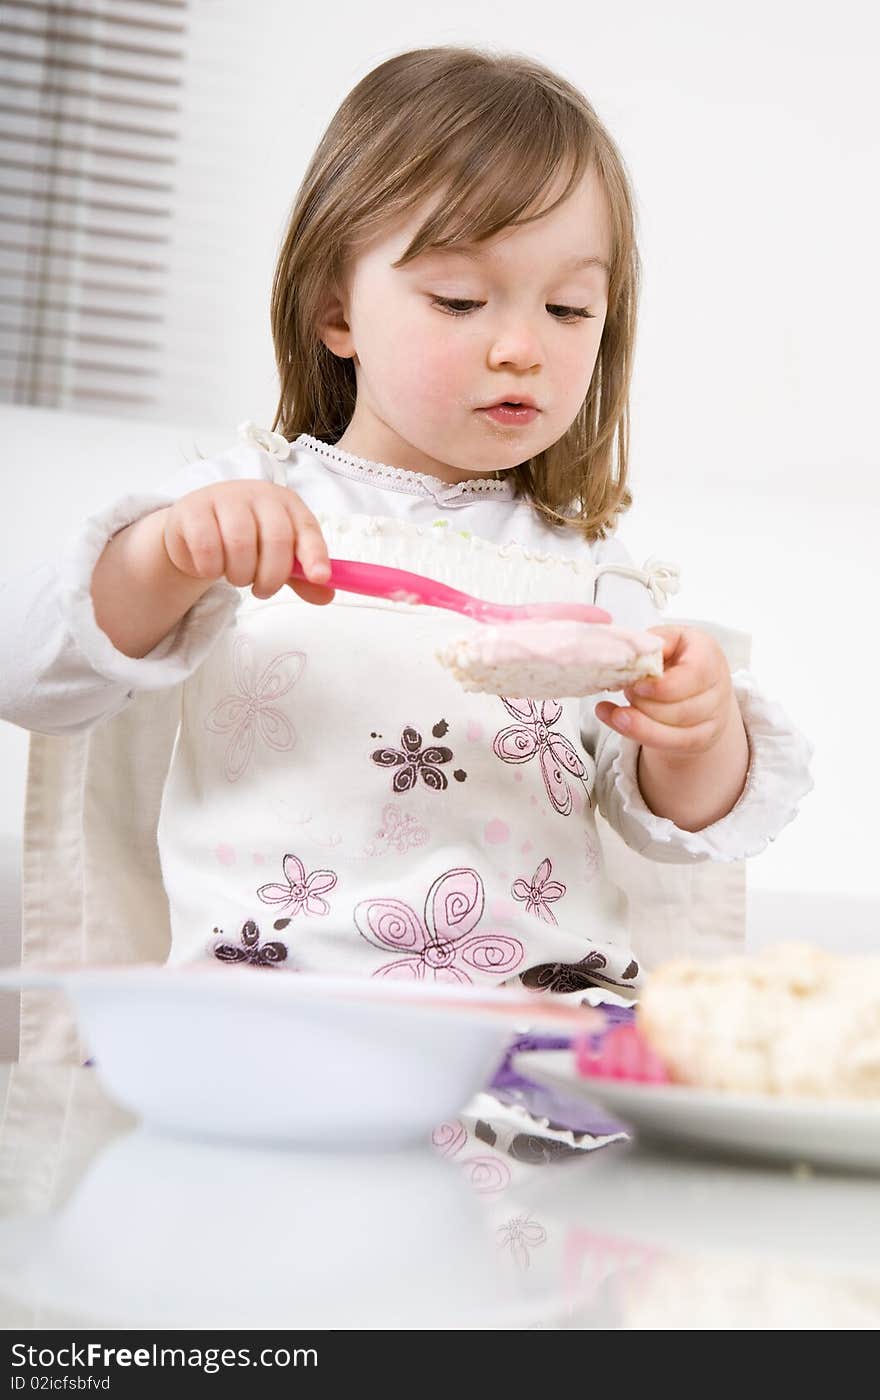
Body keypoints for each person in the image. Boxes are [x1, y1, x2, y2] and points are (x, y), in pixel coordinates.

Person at [0, 47, 813, 1145]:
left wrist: (699, 733)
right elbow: (36, 681)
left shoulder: (593, 574)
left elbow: (671, 830)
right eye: (461, 297)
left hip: (530, 1039)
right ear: (337, 308)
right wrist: (164, 558)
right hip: (273, 1021)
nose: (521, 346)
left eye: (571, 311)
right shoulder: (237, 511)